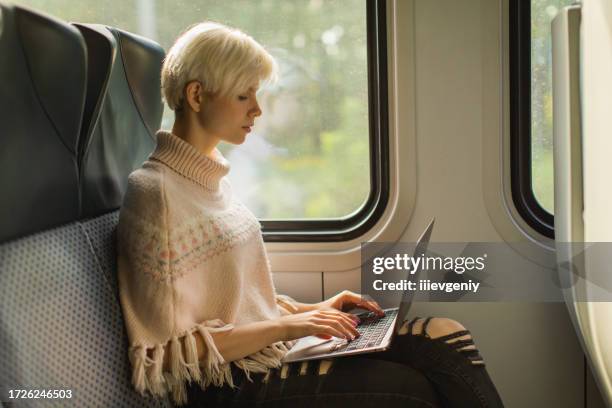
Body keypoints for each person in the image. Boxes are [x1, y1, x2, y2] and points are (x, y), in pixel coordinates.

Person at [117, 21, 504, 407]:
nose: (257, 109)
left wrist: (313, 310)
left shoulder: (210, 178)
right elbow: (167, 352)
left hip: (263, 352)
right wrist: (292, 324)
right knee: (411, 388)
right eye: (243, 95)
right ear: (197, 95)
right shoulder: (157, 194)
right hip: (227, 384)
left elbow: (240, 304)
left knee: (445, 334)